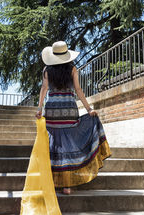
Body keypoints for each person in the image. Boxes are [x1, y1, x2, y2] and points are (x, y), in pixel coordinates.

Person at [36, 41, 111, 194]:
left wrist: (39, 108)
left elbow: (44, 89)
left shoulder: (47, 70)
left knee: (54, 145)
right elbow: (78, 90)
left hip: (52, 111)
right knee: (68, 145)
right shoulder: (72, 69)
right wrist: (89, 109)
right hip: (69, 110)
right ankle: (67, 185)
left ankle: (50, 180)